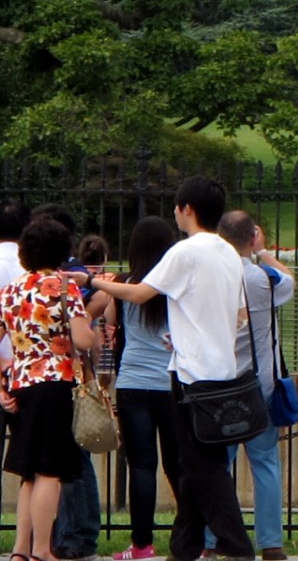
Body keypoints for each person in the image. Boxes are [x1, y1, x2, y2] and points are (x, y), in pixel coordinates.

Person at [94, 176, 255, 561]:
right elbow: (240, 317)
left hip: (190, 375)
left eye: (177, 207)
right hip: (224, 371)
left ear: (188, 209)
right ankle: (184, 548)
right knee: (198, 464)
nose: (175, 213)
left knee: (203, 469)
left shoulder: (186, 252)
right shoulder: (229, 254)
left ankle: (237, 547)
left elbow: (140, 292)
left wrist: (93, 280)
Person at [2, 214, 97, 561]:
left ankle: (20, 549)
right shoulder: (63, 287)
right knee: (50, 471)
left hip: (21, 384)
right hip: (56, 383)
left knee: (29, 472)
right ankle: (43, 549)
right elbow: (83, 337)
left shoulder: (11, 291)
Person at [216, 212, 297, 561]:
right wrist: (263, 252)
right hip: (260, 383)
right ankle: (271, 542)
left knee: (218, 466)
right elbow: (290, 280)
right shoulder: (264, 278)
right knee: (265, 463)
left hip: (219, 383)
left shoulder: (213, 277)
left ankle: (211, 538)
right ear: (252, 238)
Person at [105, 217, 183, 561]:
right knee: (177, 465)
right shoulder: (175, 287)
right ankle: (190, 536)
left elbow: (110, 322)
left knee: (141, 466)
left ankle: (141, 546)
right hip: (169, 382)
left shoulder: (124, 285)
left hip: (133, 383)